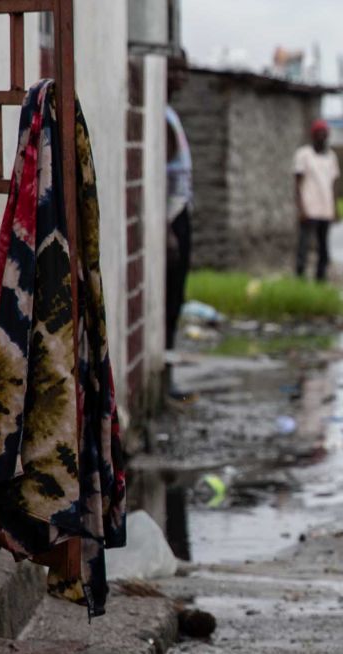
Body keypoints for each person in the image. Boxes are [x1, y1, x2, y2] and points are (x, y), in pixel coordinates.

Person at [164, 56, 193, 398]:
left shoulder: (170, 114)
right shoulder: (161, 118)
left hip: (180, 212)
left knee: (176, 298)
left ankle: (169, 371)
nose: (180, 76)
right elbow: (159, 177)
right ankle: (167, 374)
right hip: (171, 219)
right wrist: (167, 228)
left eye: (183, 70)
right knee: (170, 298)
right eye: (173, 69)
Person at [294, 119, 339, 281]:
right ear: (313, 135)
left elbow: (333, 185)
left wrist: (335, 209)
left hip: (325, 208)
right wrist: (301, 208)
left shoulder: (331, 157)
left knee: (323, 246)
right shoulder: (303, 155)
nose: (322, 136)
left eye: (324, 133)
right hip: (309, 208)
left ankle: (321, 277)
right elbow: (297, 184)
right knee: (304, 245)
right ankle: (299, 276)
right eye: (319, 133)